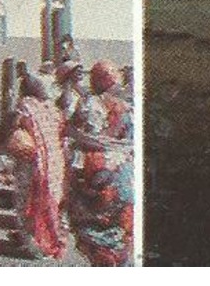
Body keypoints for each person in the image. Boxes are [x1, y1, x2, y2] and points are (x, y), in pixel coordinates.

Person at [67, 61, 134, 266]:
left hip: (96, 171)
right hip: (124, 173)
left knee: (94, 228)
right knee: (120, 229)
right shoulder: (128, 107)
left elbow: (77, 131)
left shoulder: (89, 104)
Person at [7, 72, 67, 259]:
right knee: (47, 202)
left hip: (31, 163)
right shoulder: (51, 108)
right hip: (53, 164)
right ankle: (48, 240)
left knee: (26, 202)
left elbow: (13, 127)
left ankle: (33, 245)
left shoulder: (25, 105)